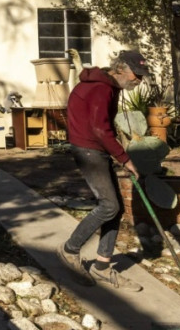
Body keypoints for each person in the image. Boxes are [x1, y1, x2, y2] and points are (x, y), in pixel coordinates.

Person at [56, 49, 148, 291]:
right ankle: (70, 249)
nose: (138, 80)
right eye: (135, 74)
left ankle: (102, 266)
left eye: (141, 76)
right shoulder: (102, 88)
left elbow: (101, 126)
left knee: (114, 208)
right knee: (109, 206)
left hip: (95, 148)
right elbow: (99, 128)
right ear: (120, 69)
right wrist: (124, 158)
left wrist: (116, 153)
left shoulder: (106, 85)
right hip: (89, 149)